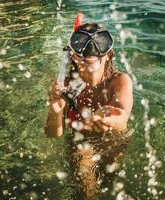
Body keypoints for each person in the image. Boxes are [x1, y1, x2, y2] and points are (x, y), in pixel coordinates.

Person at [45, 21, 133, 199]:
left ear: (109, 55)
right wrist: (55, 110)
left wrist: (108, 119)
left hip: (113, 140)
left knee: (112, 183)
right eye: (81, 42)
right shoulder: (66, 86)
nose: (91, 48)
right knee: (86, 191)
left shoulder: (119, 81)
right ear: (73, 56)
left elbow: (122, 118)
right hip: (80, 141)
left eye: (100, 42)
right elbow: (53, 135)